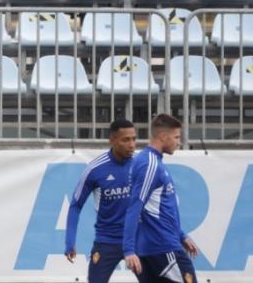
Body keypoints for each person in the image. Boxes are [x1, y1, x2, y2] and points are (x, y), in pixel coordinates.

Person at [122, 114, 201, 283]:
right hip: (162, 246)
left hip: (155, 245)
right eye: (177, 137)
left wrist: (181, 235)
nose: (179, 142)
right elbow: (135, 206)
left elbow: (158, 207)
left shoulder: (149, 161)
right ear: (163, 136)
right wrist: (128, 249)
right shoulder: (150, 164)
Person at [64, 119, 137, 283]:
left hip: (138, 238)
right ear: (112, 140)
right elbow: (75, 205)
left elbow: (159, 204)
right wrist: (70, 242)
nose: (132, 144)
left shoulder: (142, 164)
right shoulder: (95, 169)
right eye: (126, 140)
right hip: (107, 241)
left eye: (134, 139)